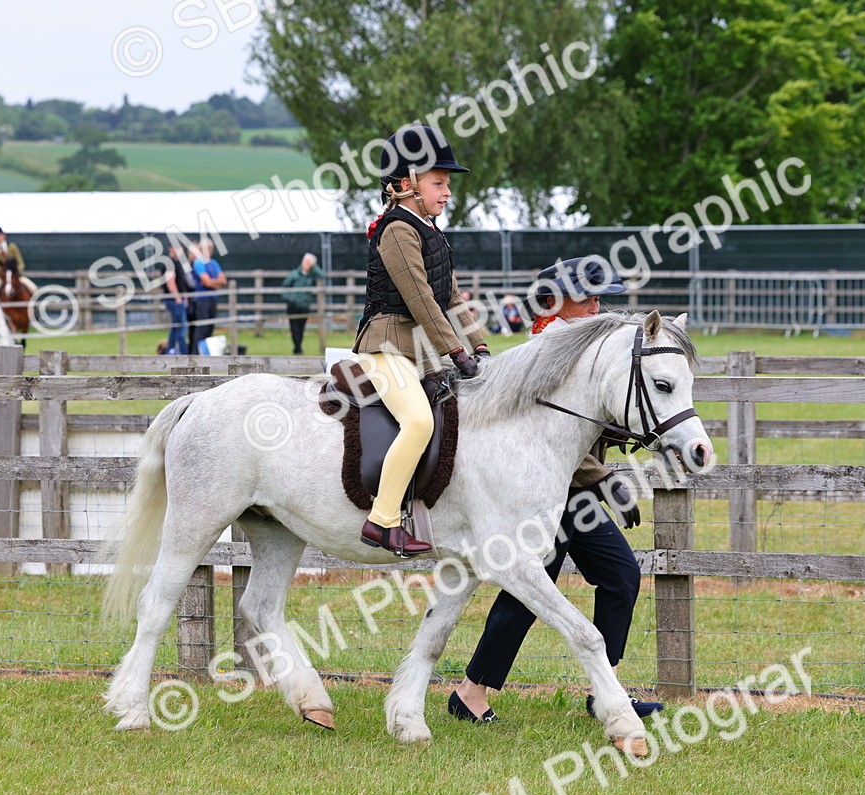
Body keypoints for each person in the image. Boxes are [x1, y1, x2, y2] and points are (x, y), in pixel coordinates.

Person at [448, 255, 664, 724]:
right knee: (533, 590)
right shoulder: (545, 350)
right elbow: (548, 438)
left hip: (569, 493)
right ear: (556, 301)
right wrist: (605, 480)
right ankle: (473, 692)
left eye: (599, 298)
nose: (596, 307)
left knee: (618, 577)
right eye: (587, 298)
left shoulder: (579, 347)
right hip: (541, 493)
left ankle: (602, 691)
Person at [354, 125, 488, 556]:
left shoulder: (432, 232)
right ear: (406, 184)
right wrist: (456, 351)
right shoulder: (396, 230)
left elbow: (451, 297)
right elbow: (421, 298)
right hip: (385, 346)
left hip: (419, 351)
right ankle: (383, 519)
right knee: (418, 421)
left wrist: (480, 347)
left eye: (448, 184)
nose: (447, 192)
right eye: (439, 183)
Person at [281, 252, 324, 354]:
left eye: (310, 263)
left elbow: (322, 276)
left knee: (301, 328)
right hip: (293, 306)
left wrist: (314, 266)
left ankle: (298, 347)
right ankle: (297, 347)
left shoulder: (312, 275)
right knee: (294, 328)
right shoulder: (294, 274)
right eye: (306, 262)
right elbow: (284, 288)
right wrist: (290, 298)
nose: (307, 264)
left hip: (304, 306)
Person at [189, 242, 227, 354]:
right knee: (202, 327)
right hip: (202, 300)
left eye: (210, 248)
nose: (209, 250)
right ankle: (195, 354)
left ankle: (206, 353)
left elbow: (223, 280)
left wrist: (212, 282)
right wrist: (215, 283)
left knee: (210, 327)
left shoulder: (214, 263)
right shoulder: (198, 263)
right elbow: (206, 282)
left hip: (213, 299)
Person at [0, 225, 38, 296]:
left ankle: (32, 306)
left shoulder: (12, 247)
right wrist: (0, 271)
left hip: (15, 275)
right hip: (0, 277)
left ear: (4, 235)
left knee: (34, 289)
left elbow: (20, 262)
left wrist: (16, 271)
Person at [159, 243, 191, 355]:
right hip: (173, 300)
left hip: (177, 299)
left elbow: (181, 282)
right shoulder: (170, 263)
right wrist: (178, 298)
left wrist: (184, 297)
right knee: (182, 327)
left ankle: (170, 350)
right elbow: (170, 282)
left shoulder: (178, 263)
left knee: (175, 326)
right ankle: (183, 352)